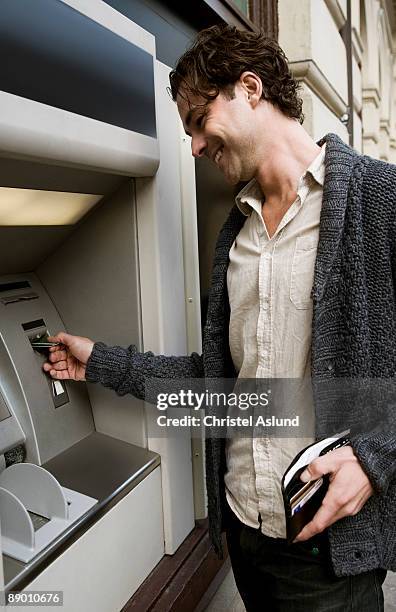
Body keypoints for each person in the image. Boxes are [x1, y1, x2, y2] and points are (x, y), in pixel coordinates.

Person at [44, 25, 395, 612]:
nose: (195, 146)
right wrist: (99, 362)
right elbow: (226, 388)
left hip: (328, 553)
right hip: (243, 534)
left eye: (198, 120)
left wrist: (377, 456)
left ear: (250, 88)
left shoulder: (378, 198)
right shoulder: (238, 233)